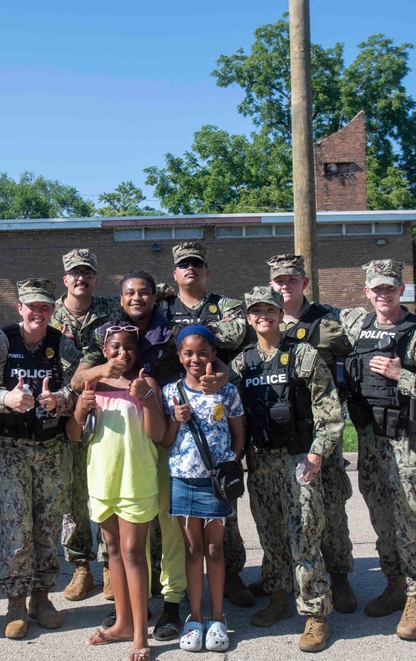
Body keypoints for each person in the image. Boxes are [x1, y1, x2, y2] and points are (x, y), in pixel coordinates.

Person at [72, 270, 230, 642]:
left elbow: (212, 360)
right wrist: (105, 368)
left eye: (145, 292)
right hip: (125, 446)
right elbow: (80, 377)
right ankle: (131, 608)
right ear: (122, 298)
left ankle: (172, 604)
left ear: (154, 298)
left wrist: (220, 378)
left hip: (172, 439)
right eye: (130, 293)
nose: (138, 298)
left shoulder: (172, 329)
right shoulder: (109, 333)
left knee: (172, 527)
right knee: (129, 535)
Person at [340, 260, 416, 641]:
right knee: (382, 518)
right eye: (376, 288)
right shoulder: (357, 325)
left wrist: (399, 374)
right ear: (366, 291)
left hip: (407, 443)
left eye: (390, 287)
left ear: (401, 289)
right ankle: (394, 585)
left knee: (411, 519)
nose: (383, 294)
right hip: (371, 442)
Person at [231, 286, 344, 653]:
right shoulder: (241, 363)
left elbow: (329, 411)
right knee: (270, 534)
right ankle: (278, 597)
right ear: (249, 318)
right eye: (256, 311)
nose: (263, 315)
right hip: (260, 462)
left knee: (305, 535)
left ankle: (315, 613)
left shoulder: (304, 356)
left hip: (299, 461)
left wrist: (317, 454)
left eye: (270, 310)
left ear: (282, 315)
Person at [0, 278, 81, 639]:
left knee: (48, 525)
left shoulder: (62, 344)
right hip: (10, 450)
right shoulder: (2, 342)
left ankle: (42, 596)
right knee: (16, 527)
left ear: (53, 310)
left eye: (45, 307)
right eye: (31, 306)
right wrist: (6, 399)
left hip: (51, 448)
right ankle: (16, 601)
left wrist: (59, 401)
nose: (38, 313)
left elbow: (77, 387)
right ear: (19, 308)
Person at [159, 241, 253, 608]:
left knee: (223, 506)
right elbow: (159, 339)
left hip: (219, 403)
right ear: (175, 273)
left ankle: (232, 576)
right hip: (176, 405)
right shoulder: (162, 306)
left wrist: (187, 331)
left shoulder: (226, 304)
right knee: (178, 520)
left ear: (206, 270)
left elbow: (236, 333)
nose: (191, 270)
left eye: (197, 264)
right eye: (184, 265)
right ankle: (172, 584)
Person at [66, 320, 166, 661]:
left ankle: (140, 633)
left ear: (138, 353)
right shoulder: (93, 383)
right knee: (113, 552)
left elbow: (158, 435)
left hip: (136, 480)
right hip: (103, 480)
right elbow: (75, 435)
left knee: (134, 553)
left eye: (129, 348)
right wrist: (81, 408)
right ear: (104, 352)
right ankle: (122, 622)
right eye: (115, 348)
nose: (123, 353)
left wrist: (148, 400)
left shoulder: (145, 383)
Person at [263, 253, 357, 614]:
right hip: (280, 434)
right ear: (271, 284)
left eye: (291, 279)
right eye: (279, 281)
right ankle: (284, 581)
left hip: (321, 432)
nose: (285, 285)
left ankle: (341, 575)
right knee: (286, 512)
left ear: (304, 282)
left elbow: (356, 359)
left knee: (331, 507)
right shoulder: (262, 319)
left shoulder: (329, 320)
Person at [161, 324, 245, 653]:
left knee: (215, 550)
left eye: (203, 352)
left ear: (213, 355)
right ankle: (194, 618)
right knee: (193, 550)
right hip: (182, 481)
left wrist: (228, 464)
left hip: (215, 485)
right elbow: (166, 442)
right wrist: (175, 420)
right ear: (180, 357)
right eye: (189, 353)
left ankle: (218, 616)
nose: (196, 359)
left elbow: (239, 436)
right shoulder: (172, 393)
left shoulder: (227, 392)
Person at [51, 248, 121, 602]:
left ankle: (110, 565)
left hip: (108, 411)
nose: (81, 278)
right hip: (66, 417)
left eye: (88, 273)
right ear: (65, 279)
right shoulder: (48, 315)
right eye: (75, 273)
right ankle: (81, 567)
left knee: (107, 488)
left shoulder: (111, 309)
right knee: (75, 496)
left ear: (95, 277)